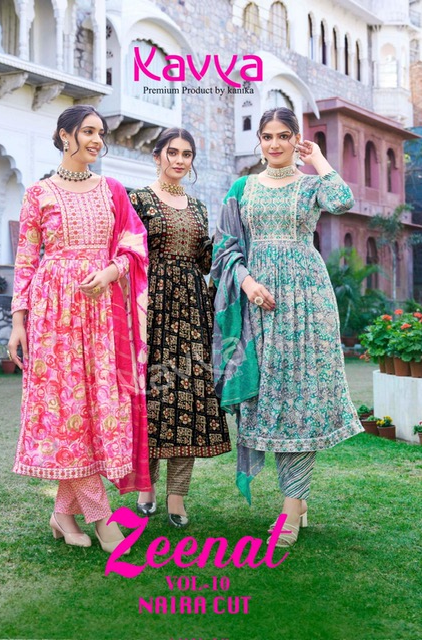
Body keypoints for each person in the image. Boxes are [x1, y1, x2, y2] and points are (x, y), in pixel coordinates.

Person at [211, 107, 362, 547]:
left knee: (301, 400)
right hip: (258, 303)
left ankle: (291, 510)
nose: (274, 144)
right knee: (270, 400)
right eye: (267, 136)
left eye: (283, 136)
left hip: (307, 302)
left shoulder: (311, 185)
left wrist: (319, 160)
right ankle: (298, 500)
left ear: (297, 139)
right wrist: (247, 282)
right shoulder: (243, 188)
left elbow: (343, 201)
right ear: (259, 141)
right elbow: (224, 247)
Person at [8, 105, 150, 552]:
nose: (96, 140)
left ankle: (62, 515)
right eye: (88, 131)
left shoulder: (112, 190)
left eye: (100, 133)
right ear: (65, 135)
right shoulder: (39, 193)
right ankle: (102, 518)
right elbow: (26, 259)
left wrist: (110, 272)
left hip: (101, 312)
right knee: (65, 411)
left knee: (93, 410)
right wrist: (18, 321)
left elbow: (134, 244)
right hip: (53, 315)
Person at [129, 128, 231, 528]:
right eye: (172, 152)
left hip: (191, 311)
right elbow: (128, 254)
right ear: (157, 155)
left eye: (186, 154)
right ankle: (147, 487)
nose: (179, 160)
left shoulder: (199, 207)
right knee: (152, 396)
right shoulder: (138, 200)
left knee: (187, 398)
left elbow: (206, 261)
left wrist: (226, 239)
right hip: (151, 309)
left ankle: (177, 497)